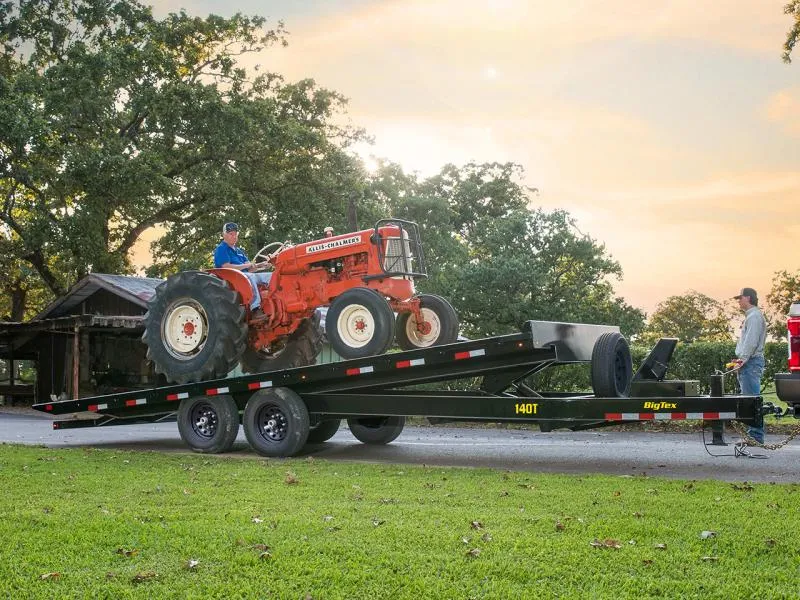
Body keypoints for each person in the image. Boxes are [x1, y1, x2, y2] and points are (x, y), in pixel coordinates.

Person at [731, 287, 767, 444]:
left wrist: (742, 360)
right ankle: (753, 435)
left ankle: (755, 436)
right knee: (750, 399)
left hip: (750, 363)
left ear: (748, 298)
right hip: (750, 362)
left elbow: (751, 342)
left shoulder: (754, 317)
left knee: (751, 400)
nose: (738, 301)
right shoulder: (752, 316)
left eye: (740, 298)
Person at [213, 222, 271, 312]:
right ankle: (255, 307)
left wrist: (263, 265)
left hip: (246, 275)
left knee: (271, 276)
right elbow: (226, 267)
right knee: (250, 277)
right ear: (224, 235)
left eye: (236, 234)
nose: (234, 236)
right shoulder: (221, 249)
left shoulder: (239, 251)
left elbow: (251, 268)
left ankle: (275, 299)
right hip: (233, 279)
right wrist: (247, 265)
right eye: (231, 234)